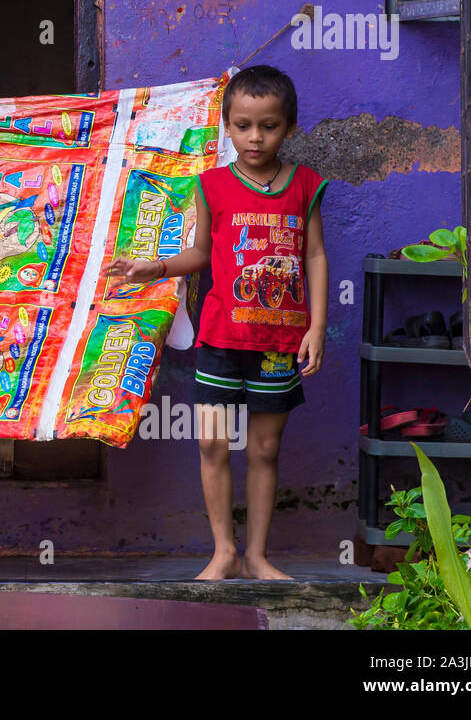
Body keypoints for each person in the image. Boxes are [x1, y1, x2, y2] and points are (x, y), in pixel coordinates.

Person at [110, 66, 327, 581]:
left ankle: (256, 555)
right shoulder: (211, 186)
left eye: (269, 126)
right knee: (210, 442)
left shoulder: (306, 187)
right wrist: (156, 268)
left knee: (266, 449)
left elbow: (314, 255)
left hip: (279, 344)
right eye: (244, 125)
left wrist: (316, 327)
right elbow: (202, 253)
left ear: (289, 128)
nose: (256, 137)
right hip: (221, 341)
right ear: (226, 127)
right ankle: (223, 552)